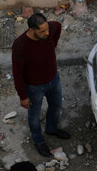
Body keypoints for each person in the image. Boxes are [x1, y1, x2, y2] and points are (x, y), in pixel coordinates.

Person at [12, 13, 70, 158]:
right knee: (34, 115)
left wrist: (53, 44)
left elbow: (57, 26)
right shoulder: (20, 45)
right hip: (34, 87)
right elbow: (17, 73)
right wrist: (23, 96)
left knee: (56, 106)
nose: (47, 33)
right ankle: (38, 141)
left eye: (47, 29)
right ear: (31, 30)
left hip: (53, 79)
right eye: (42, 31)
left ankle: (52, 129)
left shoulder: (50, 28)